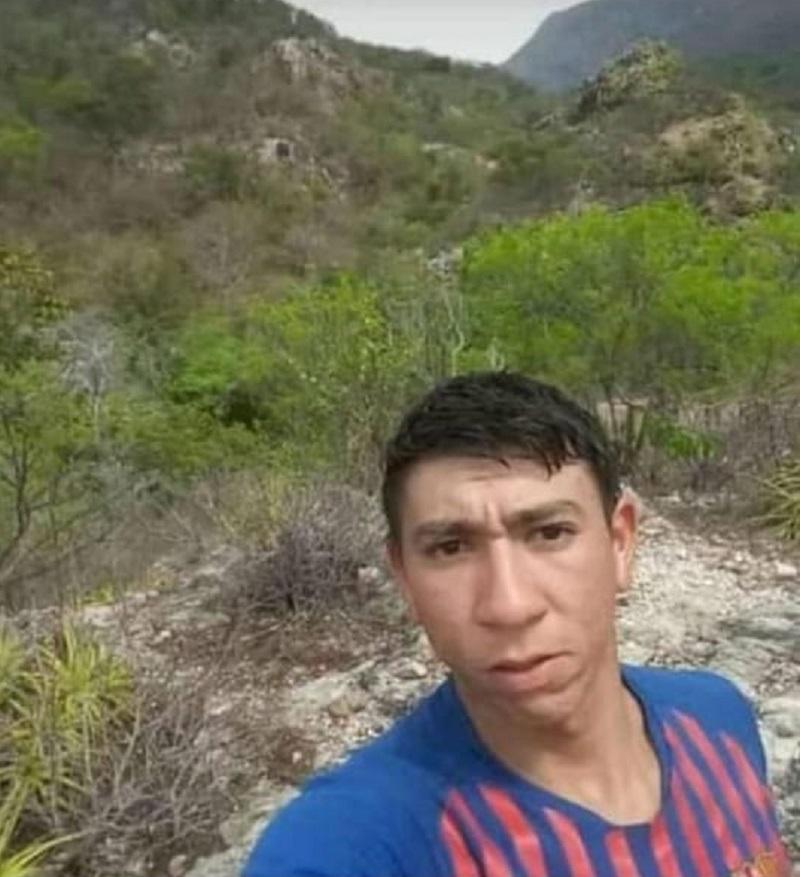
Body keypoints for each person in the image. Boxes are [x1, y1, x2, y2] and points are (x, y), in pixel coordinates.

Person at [244, 371, 790, 877]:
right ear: (404, 576)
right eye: (451, 548)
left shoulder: (719, 719)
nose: (509, 605)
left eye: (549, 533)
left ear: (620, 542)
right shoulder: (350, 847)